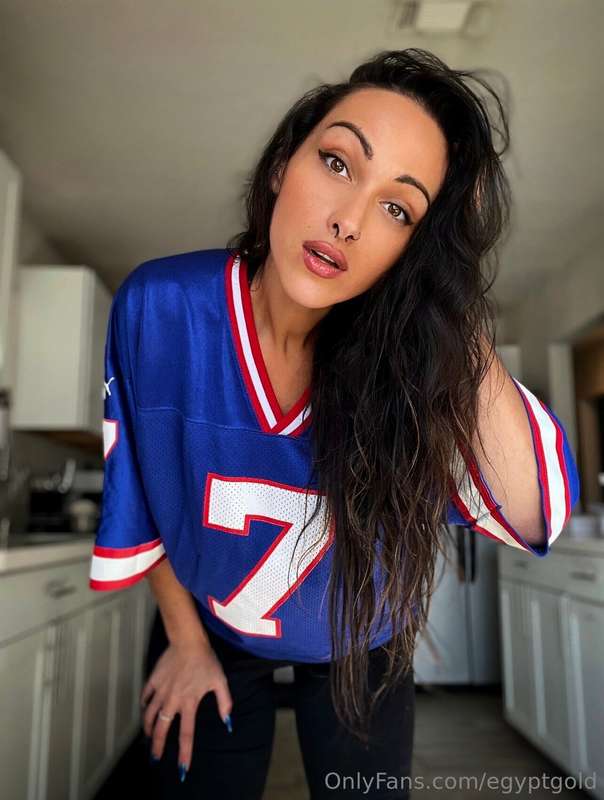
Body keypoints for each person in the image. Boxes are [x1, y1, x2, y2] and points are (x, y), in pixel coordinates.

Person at [89, 48, 580, 799]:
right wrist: (185, 643)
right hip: (206, 625)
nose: (348, 221)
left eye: (399, 210)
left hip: (364, 642)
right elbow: (141, 496)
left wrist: (453, 285)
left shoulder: (413, 366)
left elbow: (535, 511)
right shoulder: (160, 307)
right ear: (282, 163)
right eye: (338, 162)